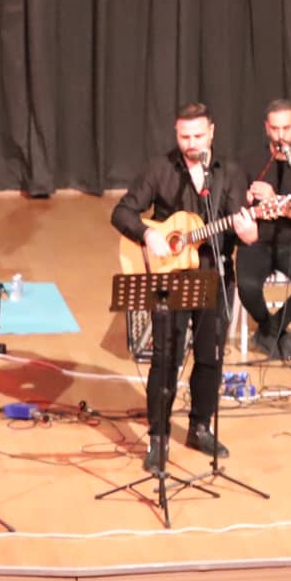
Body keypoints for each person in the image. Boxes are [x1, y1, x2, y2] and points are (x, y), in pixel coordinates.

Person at [110, 102, 258, 476]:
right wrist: (148, 234)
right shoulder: (159, 169)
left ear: (212, 132)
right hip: (170, 281)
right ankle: (158, 437)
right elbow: (122, 212)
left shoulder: (231, 173)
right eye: (183, 136)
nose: (190, 144)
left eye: (197, 136)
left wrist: (248, 231)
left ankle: (199, 426)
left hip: (215, 275)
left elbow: (246, 232)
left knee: (210, 355)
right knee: (166, 358)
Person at [234, 97, 291, 362]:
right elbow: (234, 203)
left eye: (286, 128)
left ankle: (271, 329)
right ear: (266, 128)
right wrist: (247, 206)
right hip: (256, 240)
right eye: (275, 129)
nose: (280, 135)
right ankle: (272, 329)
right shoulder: (250, 160)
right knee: (248, 286)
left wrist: (276, 201)